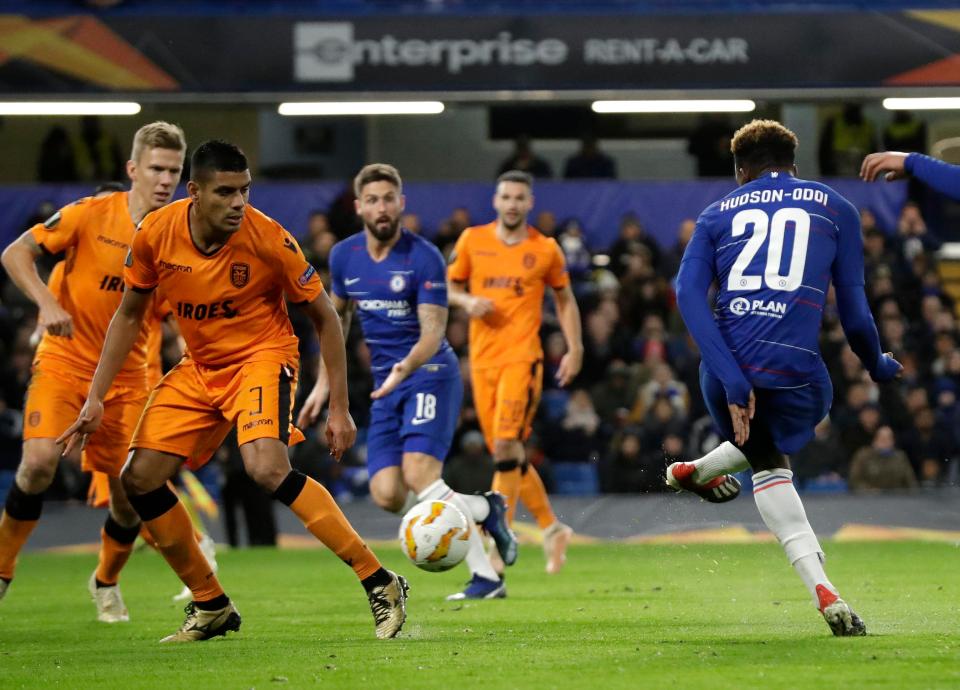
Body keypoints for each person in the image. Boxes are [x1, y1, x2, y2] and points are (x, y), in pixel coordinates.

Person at [57, 140, 408, 642]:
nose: (238, 202)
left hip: (262, 357)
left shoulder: (268, 238)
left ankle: (380, 580)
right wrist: (95, 397)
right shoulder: (156, 232)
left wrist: (340, 407)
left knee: (266, 466)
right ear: (195, 191)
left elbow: (326, 316)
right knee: (139, 479)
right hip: (200, 366)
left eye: (244, 190)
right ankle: (210, 604)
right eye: (225, 192)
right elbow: (129, 313)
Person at [670, 119, 902, 636]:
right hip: (795, 374)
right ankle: (823, 589)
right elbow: (857, 316)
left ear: (739, 172)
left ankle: (695, 472)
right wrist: (878, 364)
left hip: (722, 372)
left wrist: (731, 379)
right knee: (776, 452)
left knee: (764, 455)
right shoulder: (836, 207)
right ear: (794, 166)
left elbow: (687, 296)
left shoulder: (714, 213)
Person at [299, 163, 517, 601]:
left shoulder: (424, 257)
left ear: (402, 203)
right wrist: (324, 383)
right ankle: (483, 508)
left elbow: (434, 331)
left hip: (429, 373)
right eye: (373, 200)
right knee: (386, 493)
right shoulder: (344, 256)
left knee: (421, 474)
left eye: (389, 199)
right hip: (387, 384)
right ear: (360, 207)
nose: (382, 208)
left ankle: (487, 577)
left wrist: (405, 367)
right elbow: (334, 322)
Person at [0, 122, 187, 623]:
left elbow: (181, 311)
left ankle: (105, 580)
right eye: (156, 168)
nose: (166, 179)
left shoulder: (179, 237)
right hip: (65, 363)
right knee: (38, 463)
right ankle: (1, 569)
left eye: (174, 170)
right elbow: (15, 252)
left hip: (130, 383)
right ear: (133, 169)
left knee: (129, 500)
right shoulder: (88, 215)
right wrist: (44, 303)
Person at [447, 170, 583, 576]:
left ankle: (497, 542)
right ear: (495, 200)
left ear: (530, 203)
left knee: (507, 446)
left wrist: (574, 347)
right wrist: (467, 302)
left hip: (522, 358)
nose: (512, 204)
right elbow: (448, 288)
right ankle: (552, 528)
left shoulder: (546, 250)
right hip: (483, 361)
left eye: (519, 198)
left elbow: (565, 299)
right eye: (506, 196)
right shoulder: (472, 240)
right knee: (508, 454)